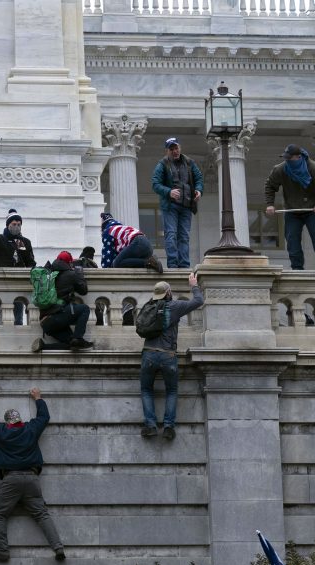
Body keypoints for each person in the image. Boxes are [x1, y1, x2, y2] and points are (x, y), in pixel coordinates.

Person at [0, 387, 64, 562]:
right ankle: (58, 547)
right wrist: (38, 398)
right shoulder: (30, 429)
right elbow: (44, 418)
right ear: (19, 420)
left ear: (7, 422)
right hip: (32, 479)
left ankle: (2, 551)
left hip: (11, 479)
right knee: (41, 514)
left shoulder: (2, 431)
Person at [140, 273, 204, 441]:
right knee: (172, 390)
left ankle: (150, 425)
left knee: (146, 390)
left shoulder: (148, 306)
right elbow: (198, 301)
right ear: (168, 293)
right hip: (168, 355)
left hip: (148, 353)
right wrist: (194, 285)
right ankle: (168, 427)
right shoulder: (174, 306)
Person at [264, 144, 315, 271]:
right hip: (293, 210)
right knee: (292, 239)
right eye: (286, 158)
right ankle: (297, 268)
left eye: (290, 158)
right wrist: (270, 204)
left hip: (312, 210)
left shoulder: (313, 169)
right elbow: (270, 186)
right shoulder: (281, 169)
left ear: (299, 157)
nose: (287, 161)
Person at [151, 138, 203, 269]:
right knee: (171, 234)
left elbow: (199, 178)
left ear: (180, 147)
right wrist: (169, 192)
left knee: (184, 236)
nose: (175, 151)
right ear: (167, 151)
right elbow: (155, 184)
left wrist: (199, 190)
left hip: (186, 205)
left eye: (176, 148)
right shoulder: (162, 164)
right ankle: (173, 264)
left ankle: (185, 265)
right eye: (171, 149)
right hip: (171, 206)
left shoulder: (190, 162)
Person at [0, 209, 35, 325]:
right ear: (8, 225)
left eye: (19, 225)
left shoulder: (24, 242)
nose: (17, 227)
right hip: (2, 281)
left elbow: (30, 262)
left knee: (18, 316)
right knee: (4, 313)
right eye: (14, 224)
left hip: (19, 283)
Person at [32, 251, 92, 352]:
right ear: (69, 263)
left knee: (71, 344)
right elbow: (83, 290)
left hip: (45, 322)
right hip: (58, 316)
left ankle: (43, 346)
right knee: (84, 309)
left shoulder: (48, 273)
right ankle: (78, 338)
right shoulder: (71, 274)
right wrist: (79, 274)